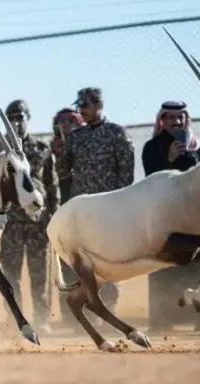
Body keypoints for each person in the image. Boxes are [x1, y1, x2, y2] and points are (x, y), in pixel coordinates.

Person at [55, 87, 134, 317]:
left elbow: (126, 174)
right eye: (80, 107)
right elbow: (62, 172)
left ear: (99, 105)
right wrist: (59, 153)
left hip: (108, 212)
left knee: (107, 263)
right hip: (80, 213)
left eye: (86, 106)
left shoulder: (117, 134)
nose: (82, 111)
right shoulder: (76, 138)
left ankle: (107, 311)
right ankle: (76, 315)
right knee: (77, 261)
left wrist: (118, 206)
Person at [141, 101, 200, 332]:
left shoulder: (197, 146)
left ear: (186, 119)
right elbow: (152, 179)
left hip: (194, 217)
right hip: (165, 217)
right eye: (171, 117)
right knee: (162, 266)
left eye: (180, 117)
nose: (176, 121)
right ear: (162, 120)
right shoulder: (152, 146)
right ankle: (159, 320)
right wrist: (169, 159)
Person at [0, 100, 59, 334]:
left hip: (38, 222)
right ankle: (14, 318)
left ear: (28, 118)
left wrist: (54, 216)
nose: (16, 121)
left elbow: (52, 186)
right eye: (11, 117)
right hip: (10, 222)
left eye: (20, 117)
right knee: (10, 272)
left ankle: (42, 319)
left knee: (40, 273)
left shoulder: (42, 149)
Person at [51, 107, 85, 330]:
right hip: (63, 215)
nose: (65, 126)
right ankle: (70, 314)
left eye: (70, 122)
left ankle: (100, 309)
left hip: (86, 213)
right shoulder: (50, 150)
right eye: (61, 122)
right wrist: (58, 155)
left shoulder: (86, 146)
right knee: (67, 263)